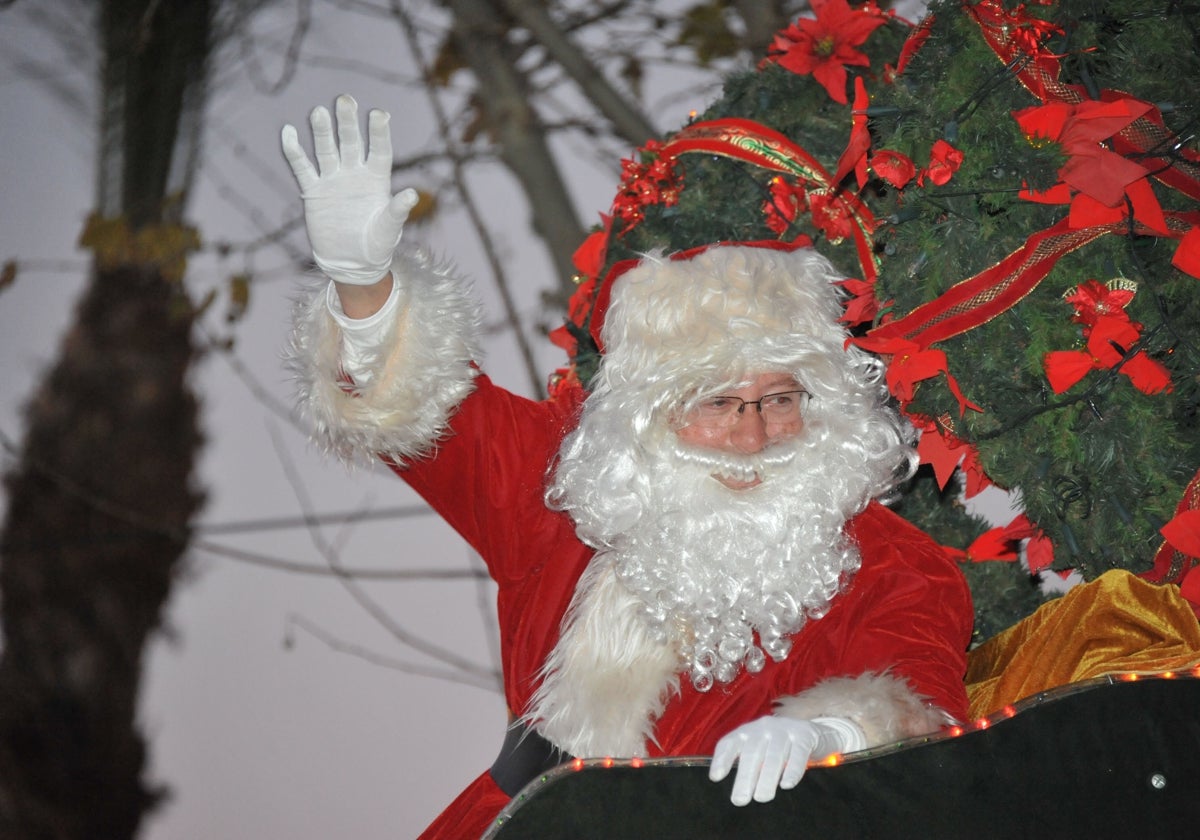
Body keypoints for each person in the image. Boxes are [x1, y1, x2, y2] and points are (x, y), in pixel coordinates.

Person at [282, 95, 973, 839]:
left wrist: (831, 735)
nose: (754, 437)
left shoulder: (894, 566)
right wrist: (364, 288)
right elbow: (437, 415)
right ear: (653, 413)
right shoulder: (562, 498)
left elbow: (914, 692)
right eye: (719, 402)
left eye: (779, 399)